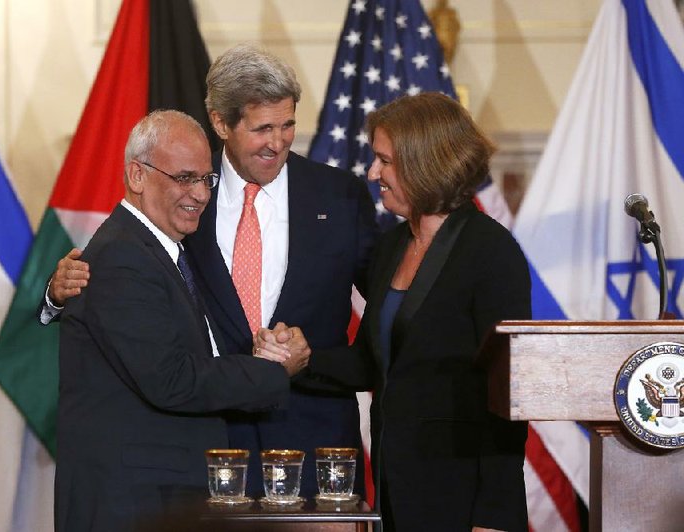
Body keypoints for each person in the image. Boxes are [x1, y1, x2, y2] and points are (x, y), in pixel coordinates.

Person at [44, 44, 379, 498]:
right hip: (209, 452)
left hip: (314, 447)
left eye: (287, 126)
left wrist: (309, 362)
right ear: (221, 123)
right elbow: (130, 282)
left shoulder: (339, 197)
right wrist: (57, 293)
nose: (277, 142)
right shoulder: (181, 196)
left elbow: (386, 319)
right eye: (262, 128)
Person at [257, 93, 530, 531]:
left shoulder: (490, 252)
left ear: (426, 162)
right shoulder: (391, 247)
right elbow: (373, 360)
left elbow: (510, 396)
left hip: (462, 496)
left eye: (385, 161)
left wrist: (493, 515)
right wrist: (301, 358)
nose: (372, 173)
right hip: (396, 489)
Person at [54, 110, 309, 531]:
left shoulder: (160, 249)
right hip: (132, 502)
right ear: (137, 176)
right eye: (184, 178)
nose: (201, 194)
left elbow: (191, 354)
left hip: (156, 495)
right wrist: (273, 370)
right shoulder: (123, 257)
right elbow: (172, 380)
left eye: (206, 180)